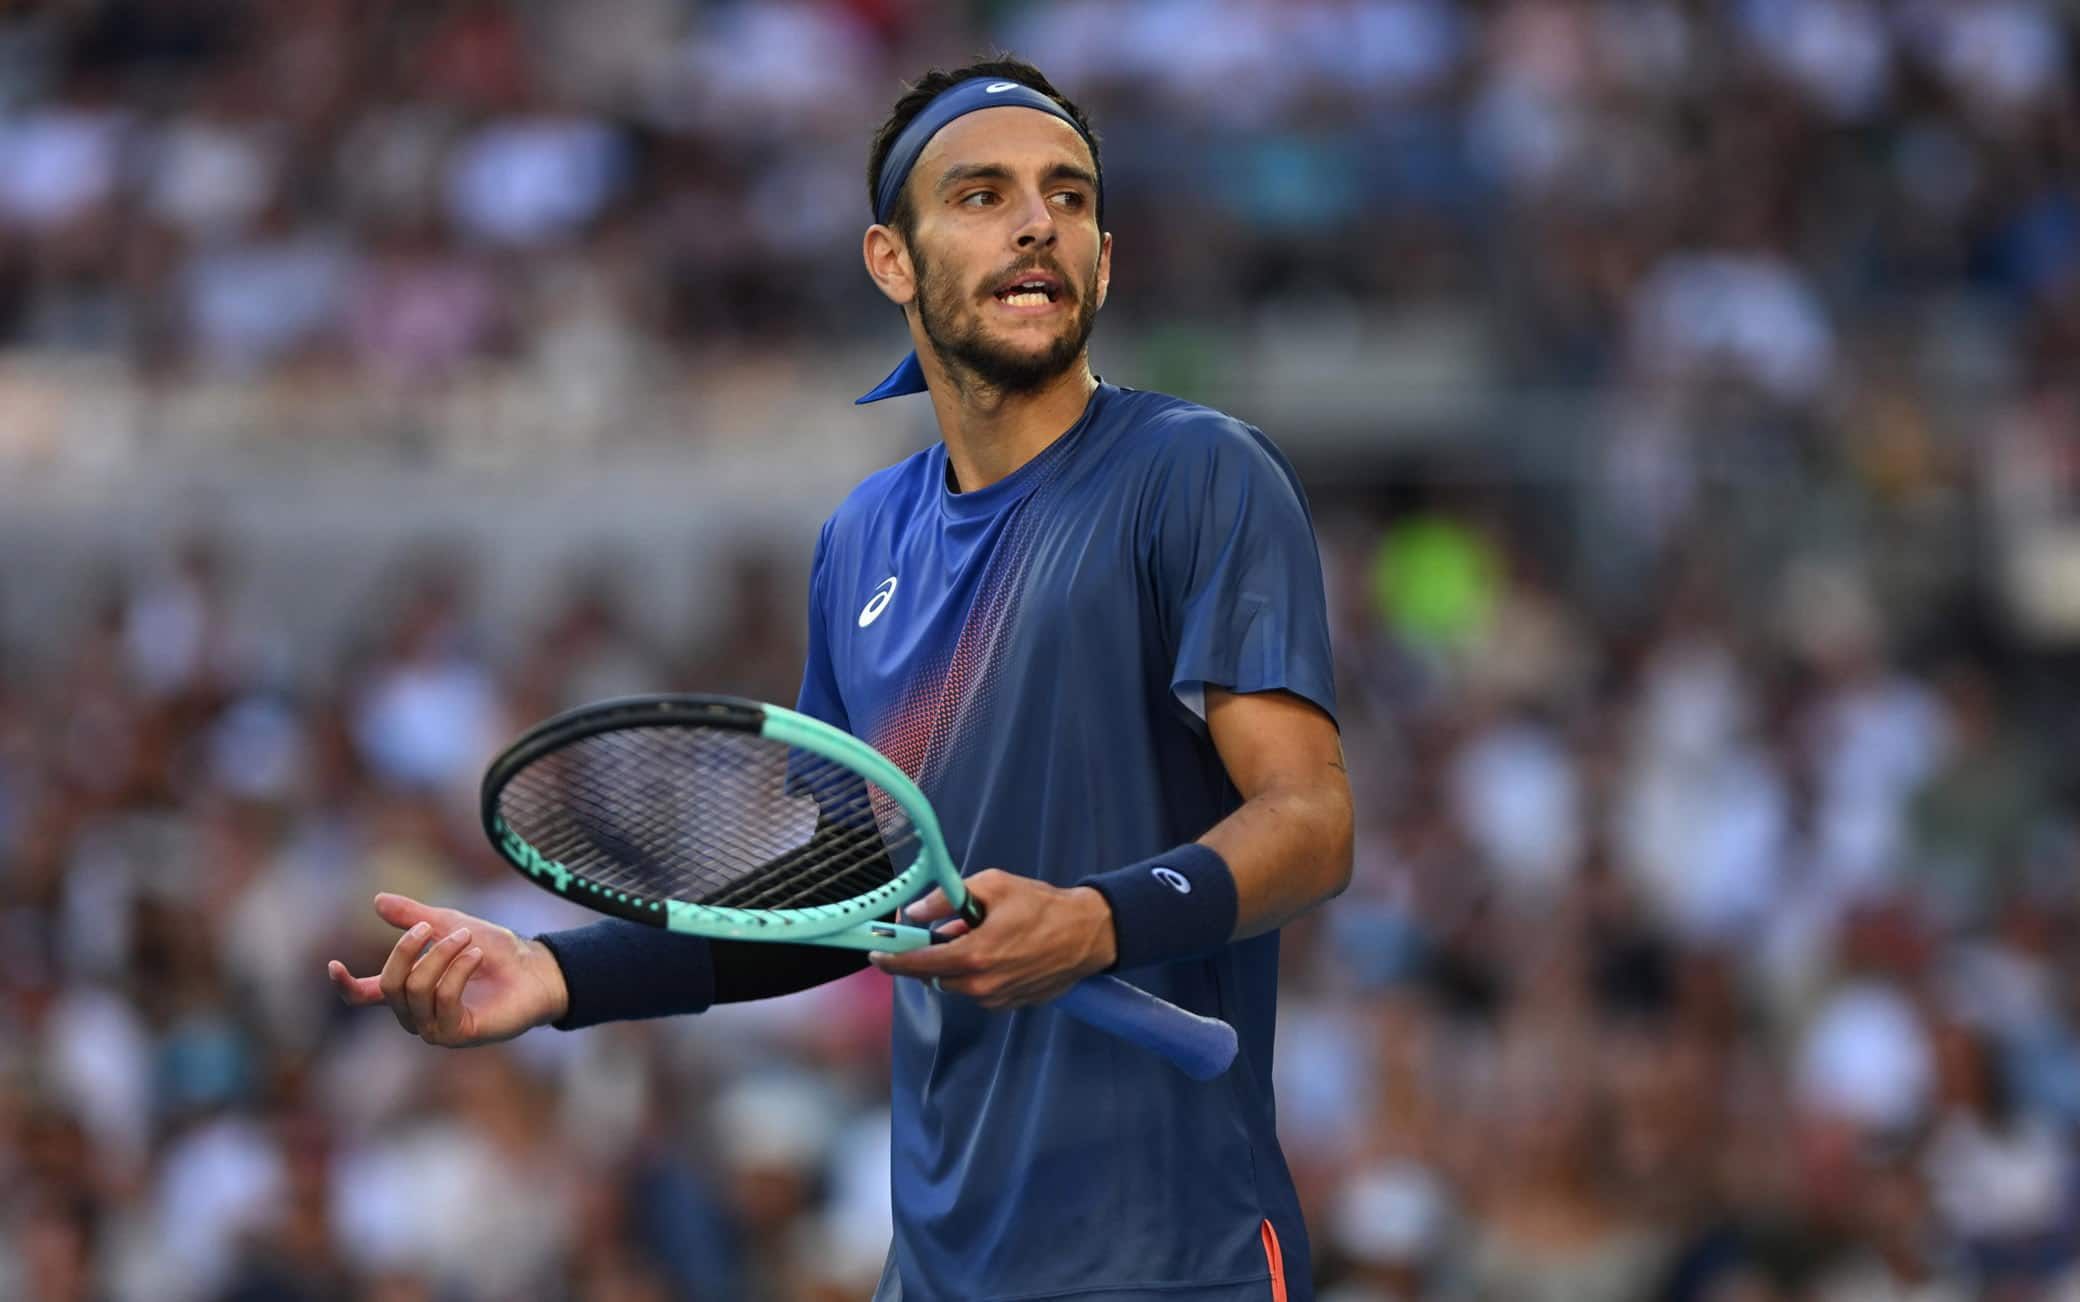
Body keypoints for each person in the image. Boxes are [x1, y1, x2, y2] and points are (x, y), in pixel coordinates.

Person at [328, 56, 1353, 1302]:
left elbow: (1311, 824)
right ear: (891, 261)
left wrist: (1096, 923)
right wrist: (561, 975)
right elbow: (830, 905)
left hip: (1177, 1259)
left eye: (1069, 197)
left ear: (1103, 253)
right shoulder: (861, 538)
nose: (1039, 221)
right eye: (981, 194)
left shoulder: (1198, 475)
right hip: (937, 1266)